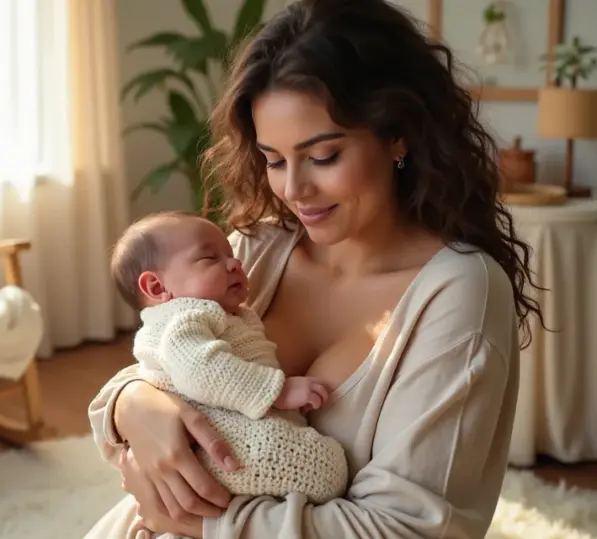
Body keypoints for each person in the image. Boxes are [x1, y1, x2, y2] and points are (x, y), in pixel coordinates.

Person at [85, 0, 543, 536]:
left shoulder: (458, 293)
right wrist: (131, 404)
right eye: (274, 160)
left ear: (397, 133)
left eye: (323, 157)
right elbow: (166, 349)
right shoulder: (257, 248)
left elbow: (403, 529)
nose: (294, 190)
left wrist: (201, 522)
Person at [108, 211, 350, 522]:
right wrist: (277, 390)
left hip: (220, 435)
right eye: (210, 258)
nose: (235, 263)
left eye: (231, 255)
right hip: (207, 438)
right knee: (320, 469)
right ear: (157, 287)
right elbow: (200, 368)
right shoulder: (183, 316)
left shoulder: (217, 311)